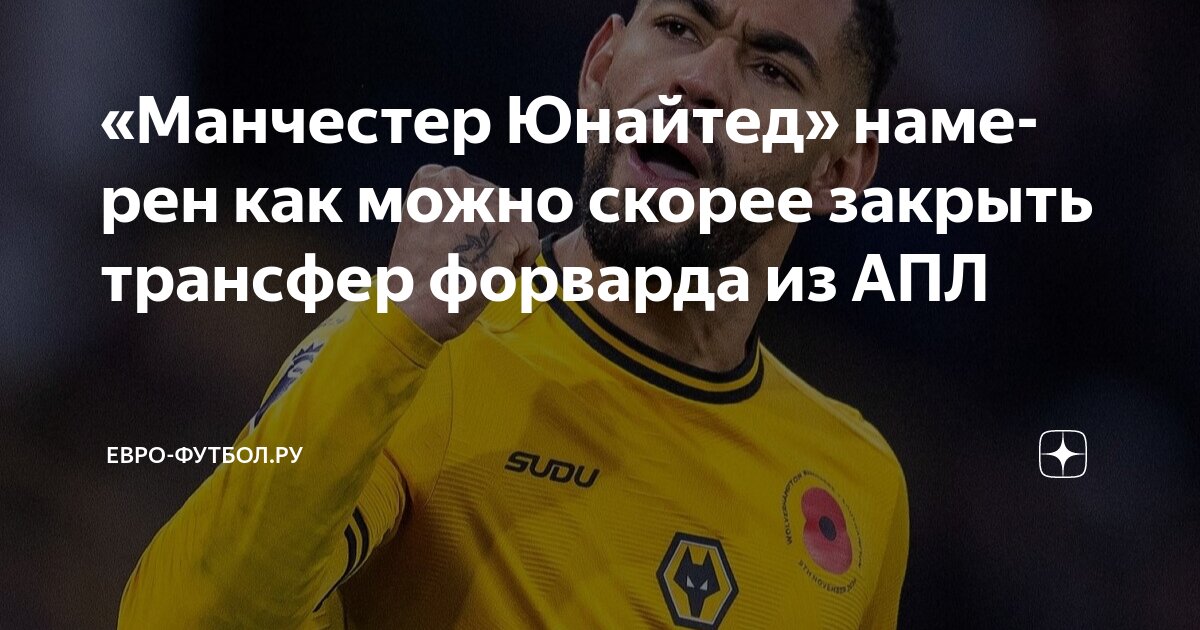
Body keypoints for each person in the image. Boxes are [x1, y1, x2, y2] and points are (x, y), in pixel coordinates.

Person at [119, 0, 905, 627]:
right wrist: (395, 328)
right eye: (677, 28)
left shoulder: (859, 482)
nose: (698, 80)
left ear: (839, 168)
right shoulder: (425, 358)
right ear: (601, 67)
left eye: (771, 70)